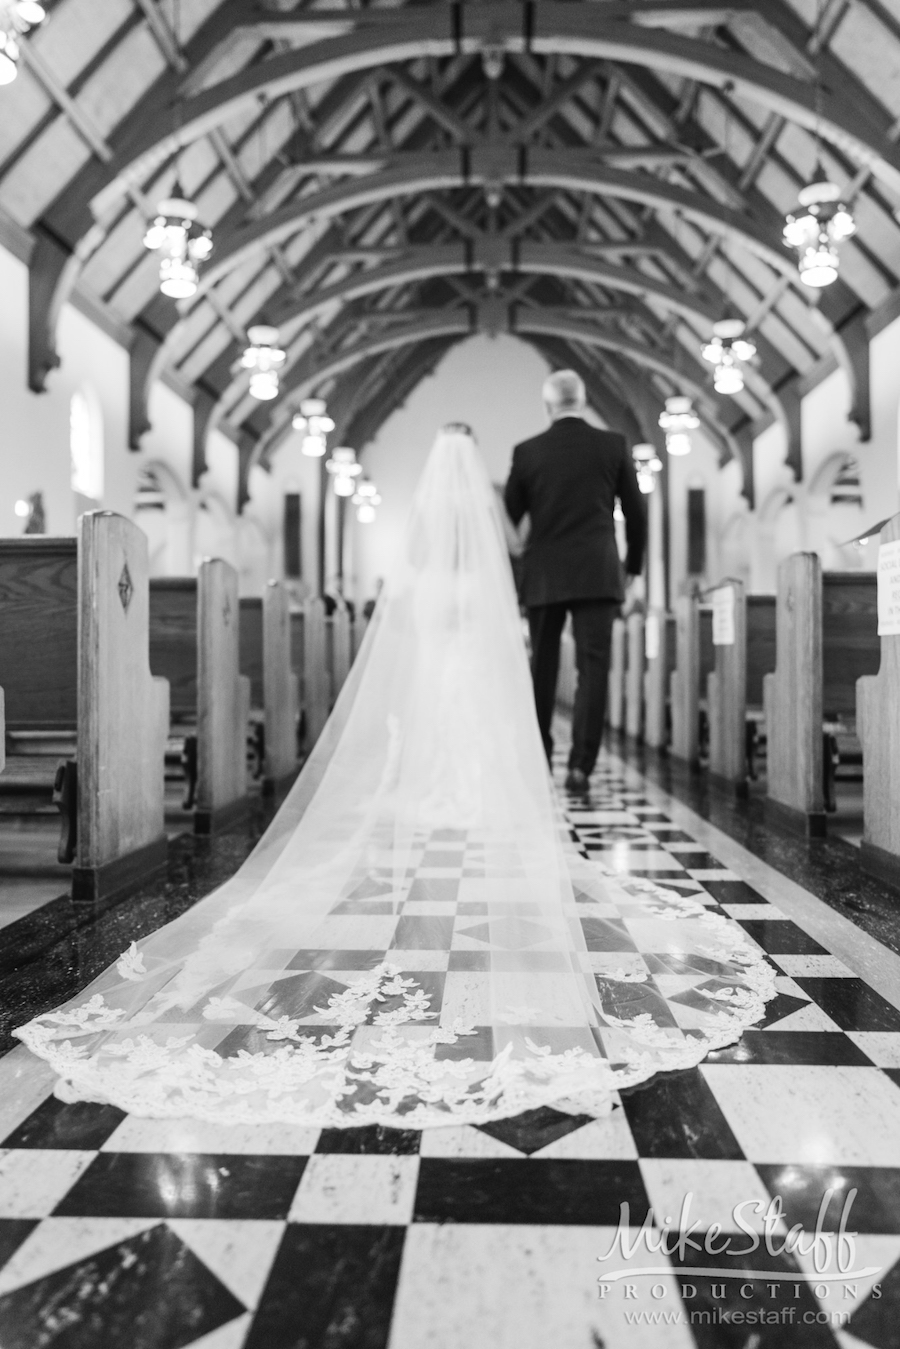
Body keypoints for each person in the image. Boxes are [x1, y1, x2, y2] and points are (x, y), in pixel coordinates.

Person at [14, 426, 770, 1128]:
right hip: (486, 657)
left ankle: (431, 785)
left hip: (438, 672)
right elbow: (504, 635)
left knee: (437, 713)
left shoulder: (418, 568)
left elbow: (405, 634)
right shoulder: (496, 562)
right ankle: (508, 781)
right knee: (486, 712)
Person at [504, 370, 647, 793]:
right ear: (582, 402)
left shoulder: (527, 452)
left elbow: (508, 518)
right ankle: (581, 765)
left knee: (542, 667)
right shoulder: (612, 444)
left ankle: (541, 757)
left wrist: (518, 576)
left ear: (548, 407)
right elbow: (636, 514)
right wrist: (633, 568)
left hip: (544, 575)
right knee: (593, 668)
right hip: (597, 572)